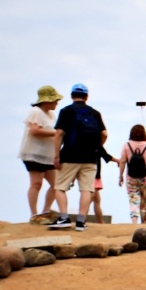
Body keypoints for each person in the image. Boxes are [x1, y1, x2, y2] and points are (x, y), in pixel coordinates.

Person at [48, 83, 107, 232]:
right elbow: (104, 134)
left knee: (60, 187)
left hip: (70, 156)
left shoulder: (66, 111)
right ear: (86, 97)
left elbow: (59, 134)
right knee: (86, 189)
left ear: (72, 96)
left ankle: (64, 218)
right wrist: (96, 147)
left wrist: (56, 155)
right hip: (90, 158)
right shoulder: (95, 113)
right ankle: (81, 222)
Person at [19, 85, 61, 220]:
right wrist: (55, 133)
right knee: (36, 183)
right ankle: (34, 214)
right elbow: (35, 130)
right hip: (34, 153)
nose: (56, 103)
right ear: (46, 100)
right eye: (54, 100)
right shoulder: (36, 111)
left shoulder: (52, 115)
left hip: (48, 155)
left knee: (57, 184)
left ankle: (46, 211)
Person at [118, 124, 146, 224]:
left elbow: (122, 161)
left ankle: (134, 221)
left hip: (131, 178)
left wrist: (120, 176)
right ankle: (145, 224)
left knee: (134, 201)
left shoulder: (126, 146)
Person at [92, 145, 120, 224]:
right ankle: (81, 219)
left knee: (96, 199)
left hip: (92, 175)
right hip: (93, 175)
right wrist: (118, 161)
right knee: (90, 198)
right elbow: (106, 156)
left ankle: (101, 222)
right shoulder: (96, 142)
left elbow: (106, 156)